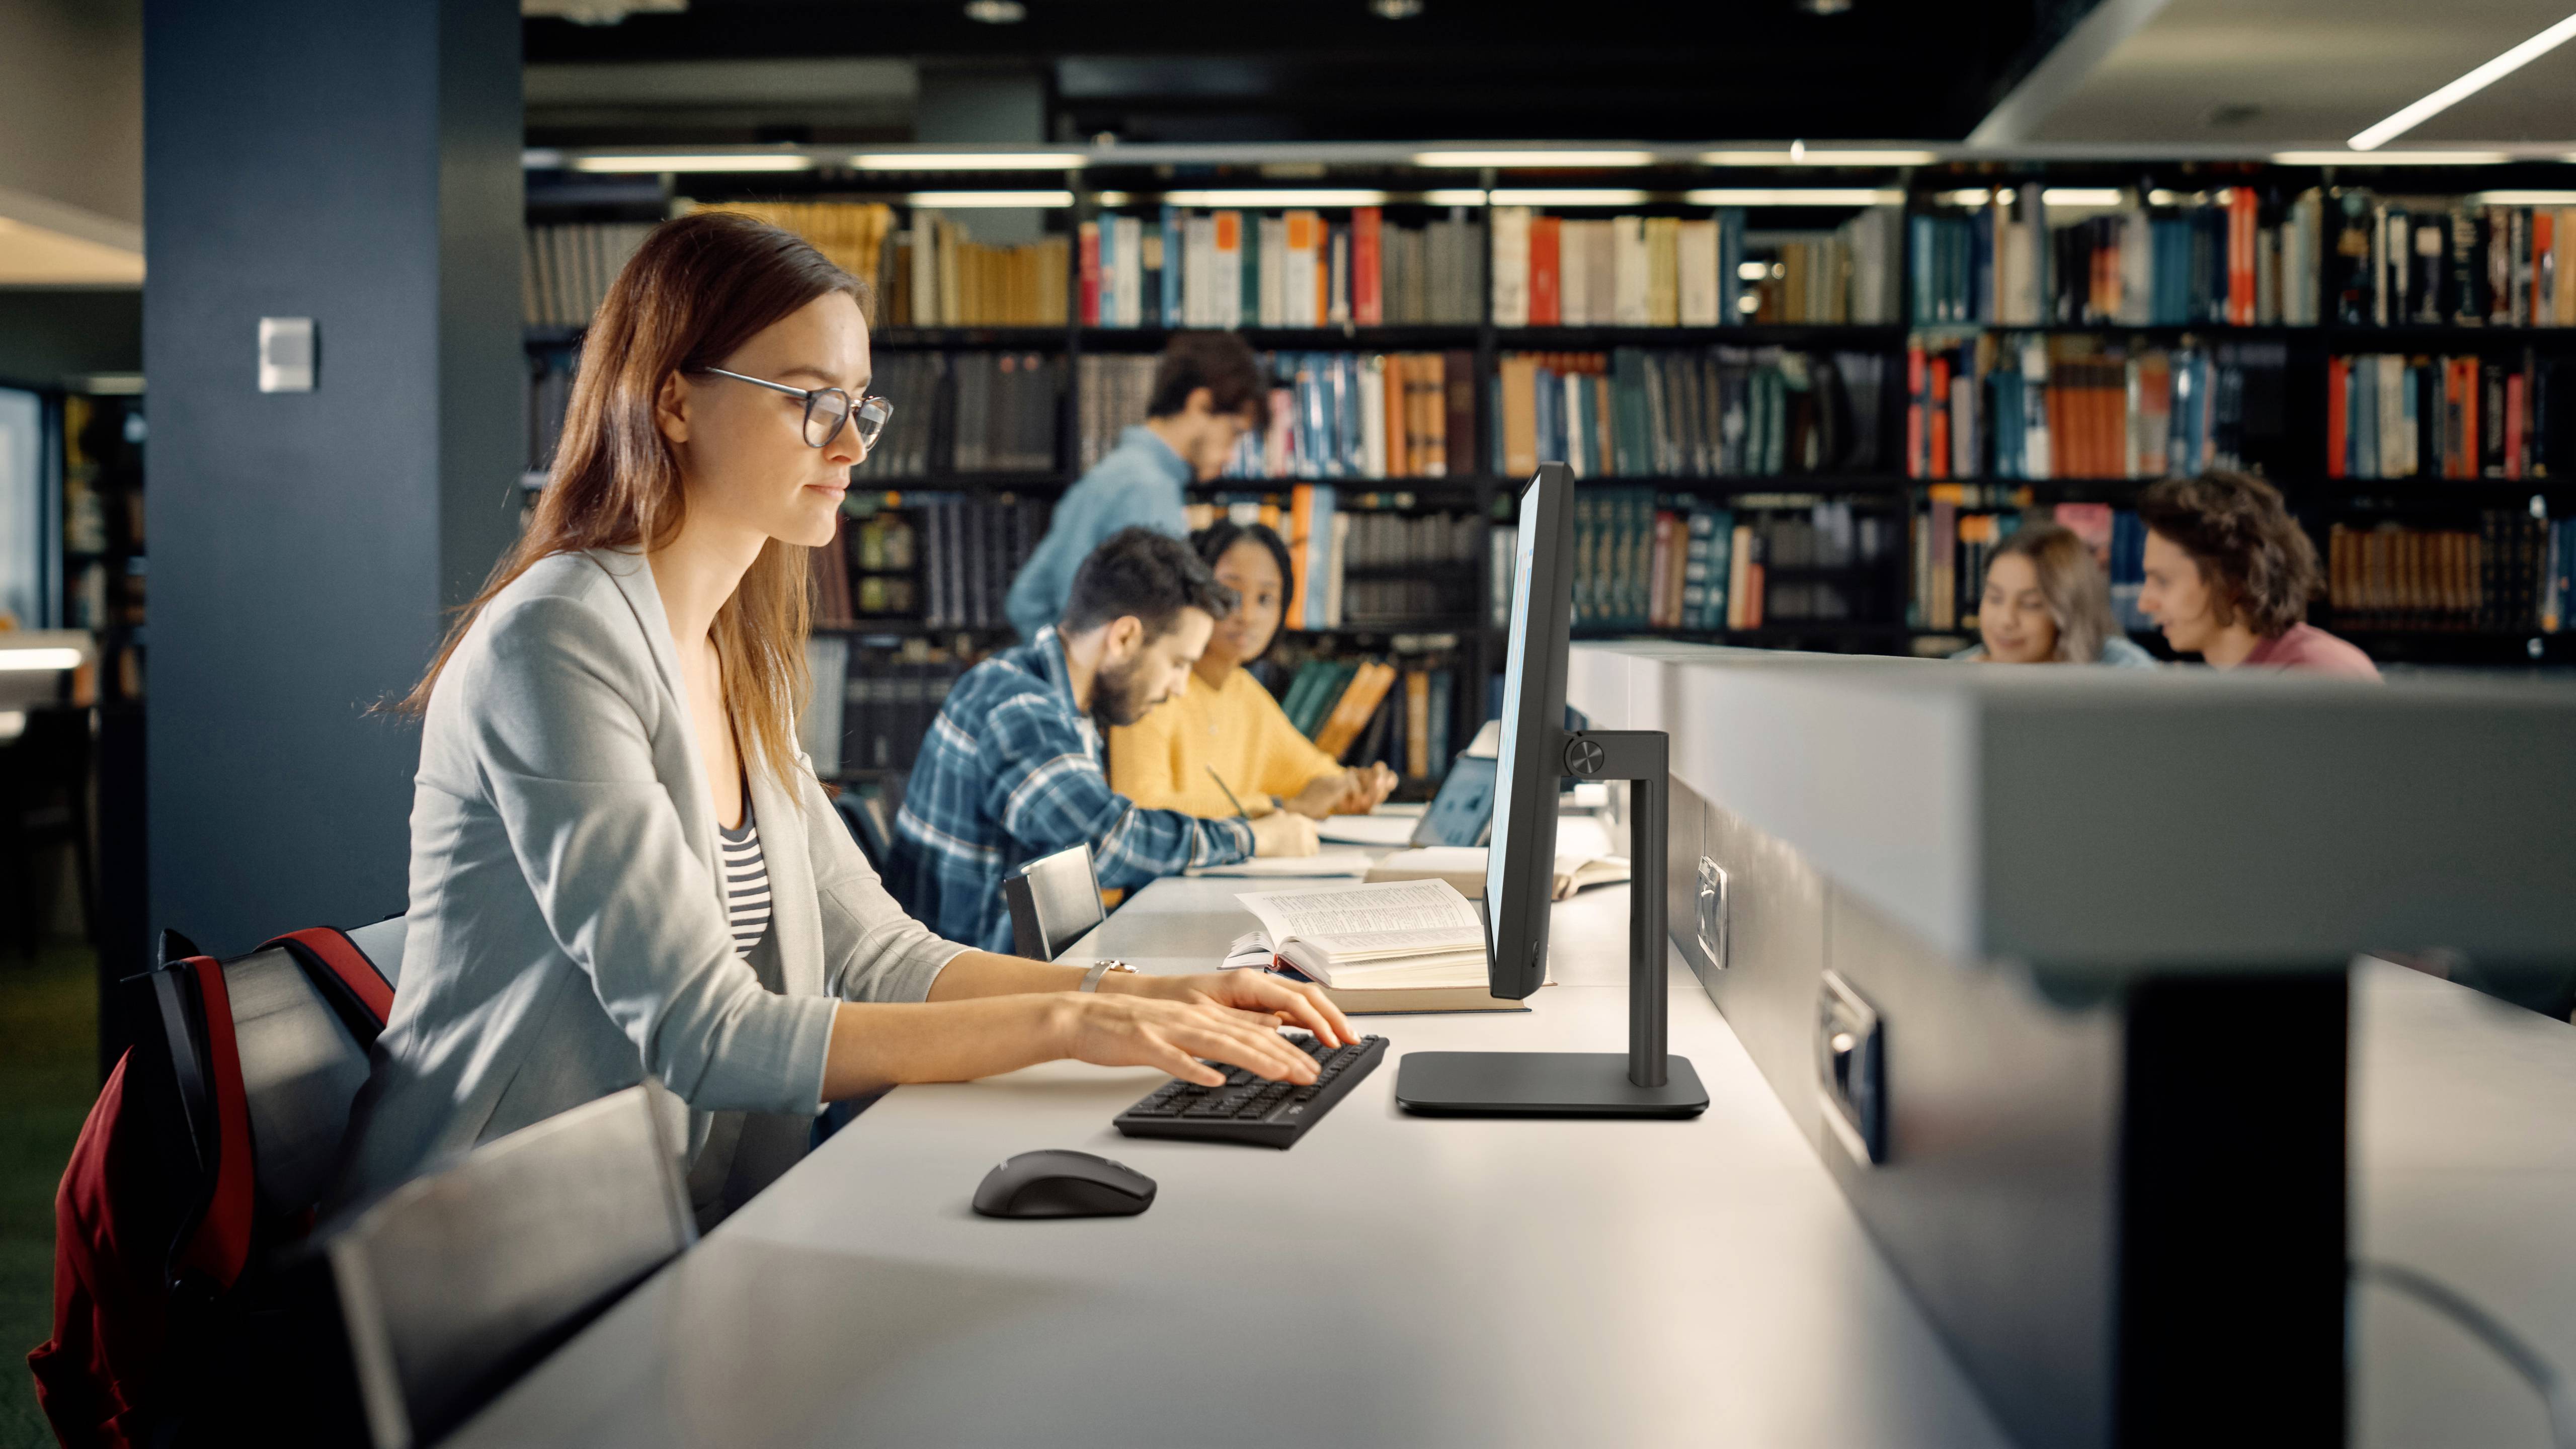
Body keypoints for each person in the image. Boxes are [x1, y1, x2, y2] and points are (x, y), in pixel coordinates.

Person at [335, 213, 1351, 1229]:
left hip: (663, 1220)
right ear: (675, 401)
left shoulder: (735, 655)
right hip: (481, 1248)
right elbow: (705, 1031)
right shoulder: (556, 640)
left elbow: (880, 955)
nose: (853, 442)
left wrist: (1150, 995)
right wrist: (1070, 1024)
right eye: (813, 402)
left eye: (862, 405)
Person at [889, 526, 1323, 955]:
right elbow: (1104, 842)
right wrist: (1252, 838)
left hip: (1020, 967)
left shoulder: (1059, 700)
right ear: (1125, 638)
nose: (1179, 687)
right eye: (1177, 663)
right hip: (973, 982)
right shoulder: (1017, 707)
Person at [1109, 519, 1400, 818]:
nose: (1247, 616)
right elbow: (1141, 809)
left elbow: (1315, 776)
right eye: (1231, 595)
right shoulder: (1152, 687)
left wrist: (1355, 788)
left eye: (1265, 599)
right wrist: (1279, 808)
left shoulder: (1245, 693)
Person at [1003, 333, 1265, 640]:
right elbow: (1148, 633)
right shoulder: (1147, 489)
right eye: (1234, 432)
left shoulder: (1123, 472)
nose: (1232, 455)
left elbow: (1027, 601)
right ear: (1199, 405)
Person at [2135, 472, 2381, 680]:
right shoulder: (2239, 682)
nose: (2144, 604)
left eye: (2163, 581)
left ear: (2233, 578)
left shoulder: (2318, 674)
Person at [1950, 521, 2159, 667]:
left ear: (2069, 609)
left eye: (2030, 604)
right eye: (1995, 599)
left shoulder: (2125, 668)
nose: (2006, 620)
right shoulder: (1959, 668)